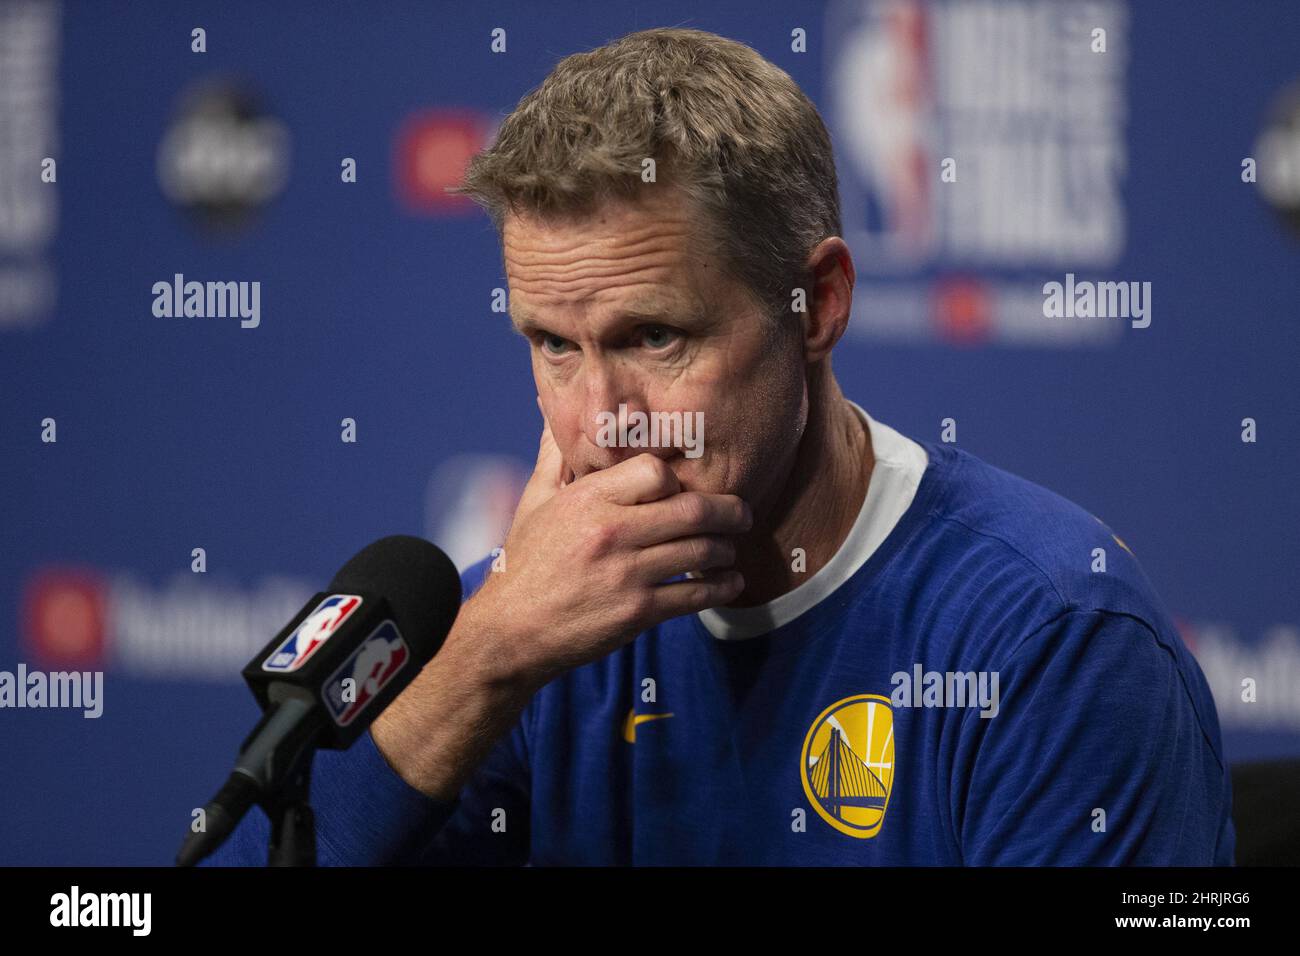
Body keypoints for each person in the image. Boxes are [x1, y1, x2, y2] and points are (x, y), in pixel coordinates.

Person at [204, 27, 1234, 866]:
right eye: (554, 345)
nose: (603, 417)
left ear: (816, 302)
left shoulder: (1049, 636)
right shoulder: (530, 629)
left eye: (655, 336)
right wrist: (490, 654)